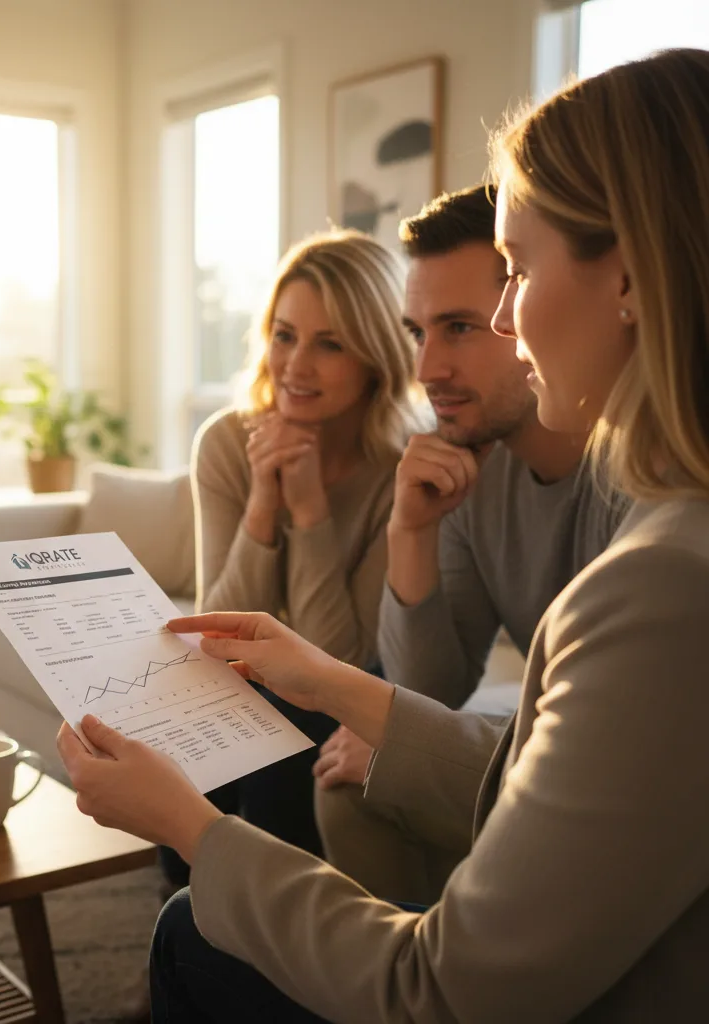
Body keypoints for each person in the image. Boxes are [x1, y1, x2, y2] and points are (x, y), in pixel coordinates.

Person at [58, 48, 709, 1022]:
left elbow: (441, 989)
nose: (505, 321)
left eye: (517, 271)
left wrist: (193, 827)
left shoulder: (663, 582)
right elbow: (547, 766)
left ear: (627, 277)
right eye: (423, 330)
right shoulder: (614, 519)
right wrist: (325, 676)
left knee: (191, 930)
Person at [311, 186, 630, 903]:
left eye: (458, 328)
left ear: (526, 307)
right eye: (418, 332)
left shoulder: (641, 468)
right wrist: (411, 531)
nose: (427, 369)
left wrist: (413, 747)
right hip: (540, 762)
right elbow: (427, 693)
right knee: (347, 779)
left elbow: (607, 754)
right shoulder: (466, 463)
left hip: (615, 794)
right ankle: (417, 968)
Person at [159, 228, 418, 886]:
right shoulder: (226, 442)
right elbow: (213, 631)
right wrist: (262, 503)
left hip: (343, 685)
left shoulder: (399, 470)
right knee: (185, 730)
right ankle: (196, 904)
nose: (295, 366)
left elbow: (337, 661)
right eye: (284, 335)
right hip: (241, 672)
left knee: (287, 744)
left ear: (375, 357)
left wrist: (309, 510)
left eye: (329, 344)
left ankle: (280, 917)